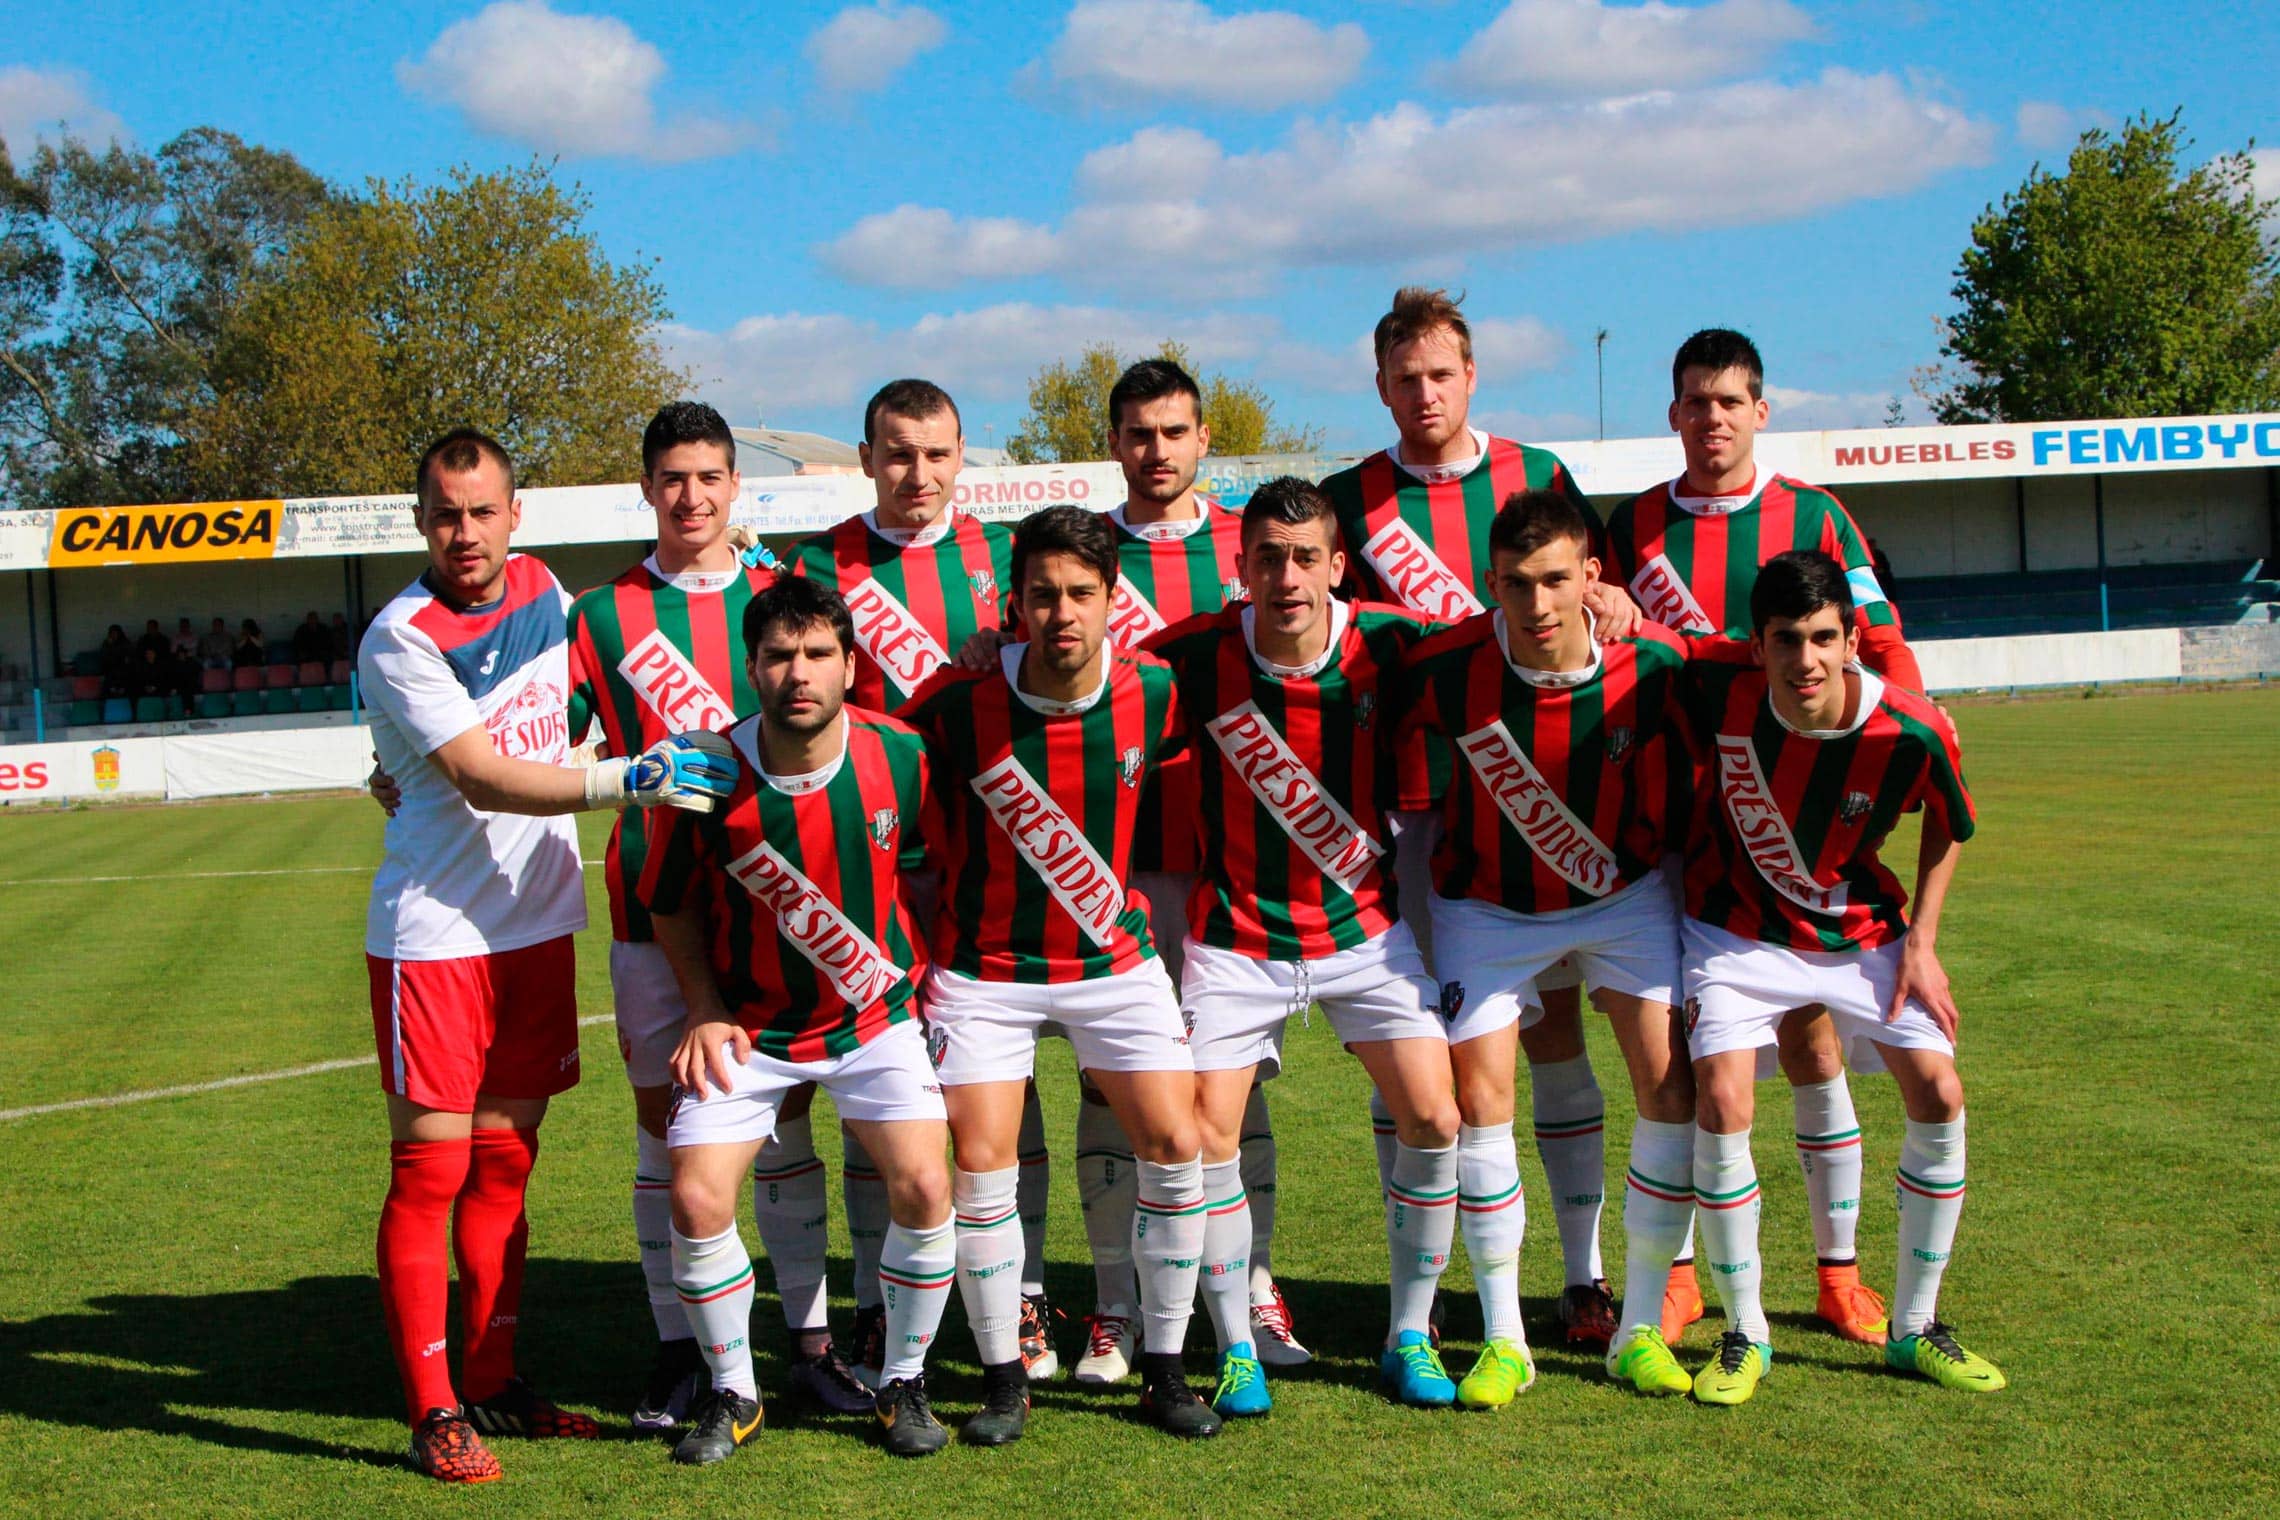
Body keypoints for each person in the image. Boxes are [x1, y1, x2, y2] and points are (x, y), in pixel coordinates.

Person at [359, 427, 734, 1484]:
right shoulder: (400, 634)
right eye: (445, 513)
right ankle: (434, 1409)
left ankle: (493, 1378)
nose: (465, 532)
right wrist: (630, 779)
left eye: (483, 511)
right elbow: (481, 773)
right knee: (430, 1171)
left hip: (534, 927)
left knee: (506, 1163)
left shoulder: (544, 592)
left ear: (514, 515)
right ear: (420, 519)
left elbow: (584, 695)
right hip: (436, 937)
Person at [1319, 285, 1637, 1349]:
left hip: (1546, 794)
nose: (1425, 393)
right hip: (1410, 812)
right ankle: (1425, 1278)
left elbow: (1604, 595)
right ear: (1380, 386)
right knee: (1414, 1044)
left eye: (1441, 374)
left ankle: (1585, 1275)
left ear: (1472, 376)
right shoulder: (1348, 497)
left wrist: (1616, 601)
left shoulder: (1538, 473)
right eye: (1405, 377)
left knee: (1553, 1032)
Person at [1600, 328, 1927, 1347]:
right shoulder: (1634, 525)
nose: (1713, 419)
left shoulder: (1816, 515)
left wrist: (1904, 739)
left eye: (1730, 401)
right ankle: (1681, 1275)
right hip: (1672, 820)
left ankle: (1839, 1273)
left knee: (1812, 1035)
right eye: (1696, 402)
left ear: (1760, 411)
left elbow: (1881, 642)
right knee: (1680, 1054)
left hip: (1792, 820)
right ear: (1674, 414)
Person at [562, 401, 873, 1426]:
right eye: (672, 478)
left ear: (735, 485)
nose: (691, 497)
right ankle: (679, 1354)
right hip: (652, 911)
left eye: (708, 477)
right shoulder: (599, 615)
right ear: (646, 488)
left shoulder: (785, 600)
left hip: (786, 911)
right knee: (665, 1136)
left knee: (783, 1130)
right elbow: (543, 737)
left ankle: (811, 1346)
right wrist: (409, 763)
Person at [900, 506, 1220, 1443]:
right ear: (1014, 603)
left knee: (1178, 1143)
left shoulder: (1156, 690)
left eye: (1082, 593)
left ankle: (1164, 1368)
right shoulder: (954, 702)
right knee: (981, 1166)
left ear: (1114, 598)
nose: (1063, 613)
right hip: (984, 970)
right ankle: (1005, 1379)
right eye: (1043, 595)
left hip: (1111, 961)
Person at [1143, 477, 1462, 1415]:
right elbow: (1081, 685)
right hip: (1236, 940)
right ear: (1241, 566)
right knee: (1207, 1135)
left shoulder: (1392, 644)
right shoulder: (1189, 654)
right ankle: (1237, 1345)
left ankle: (1410, 1333)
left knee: (1435, 1117)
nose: (1287, 576)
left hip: (1364, 933)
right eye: (1268, 558)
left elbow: (1507, 648)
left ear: (1336, 566)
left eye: (1304, 557)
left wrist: (1609, 608)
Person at [638, 576, 959, 1464]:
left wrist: (923, 982)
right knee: (697, 1196)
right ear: (751, 668)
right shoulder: (707, 772)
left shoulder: (901, 754)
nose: (799, 672)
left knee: (925, 1185)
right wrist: (703, 1009)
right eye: (779, 656)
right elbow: (669, 903)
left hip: (873, 1019)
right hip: (751, 1030)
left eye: (819, 653)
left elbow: (927, 867)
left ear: (850, 665)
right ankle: (734, 1393)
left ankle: (904, 1381)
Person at [1673, 549, 2002, 1403]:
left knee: (1940, 1091)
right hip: (1735, 934)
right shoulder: (1718, 683)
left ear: (1854, 640)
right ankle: (1745, 1334)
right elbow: (1639, 647)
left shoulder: (1913, 727)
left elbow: (1951, 822)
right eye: (1786, 640)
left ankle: (1915, 1327)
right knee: (1724, 1102)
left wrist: (1923, 942)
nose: (1806, 659)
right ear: (1757, 646)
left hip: (1862, 932)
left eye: (1824, 638)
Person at [1396, 489, 1703, 1401]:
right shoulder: (1444, 667)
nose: (1537, 603)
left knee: (1670, 1089)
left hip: (1624, 899)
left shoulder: (1654, 661)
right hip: (1486, 910)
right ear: (1490, 584)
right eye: (1516, 583)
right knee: (1480, 1103)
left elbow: (1737, 696)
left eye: (1557, 580)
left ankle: (1637, 1326)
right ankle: (1505, 1340)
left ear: (1592, 577)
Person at [785, 378, 1013, 1383]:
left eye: (936, 453)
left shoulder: (1007, 559)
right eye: (898, 453)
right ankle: (876, 1307)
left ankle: (1021, 1297)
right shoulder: (815, 565)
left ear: (962, 455)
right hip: (859, 871)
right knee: (868, 1092)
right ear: (868, 457)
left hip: (992, 858)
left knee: (997, 1085)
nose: (917, 473)